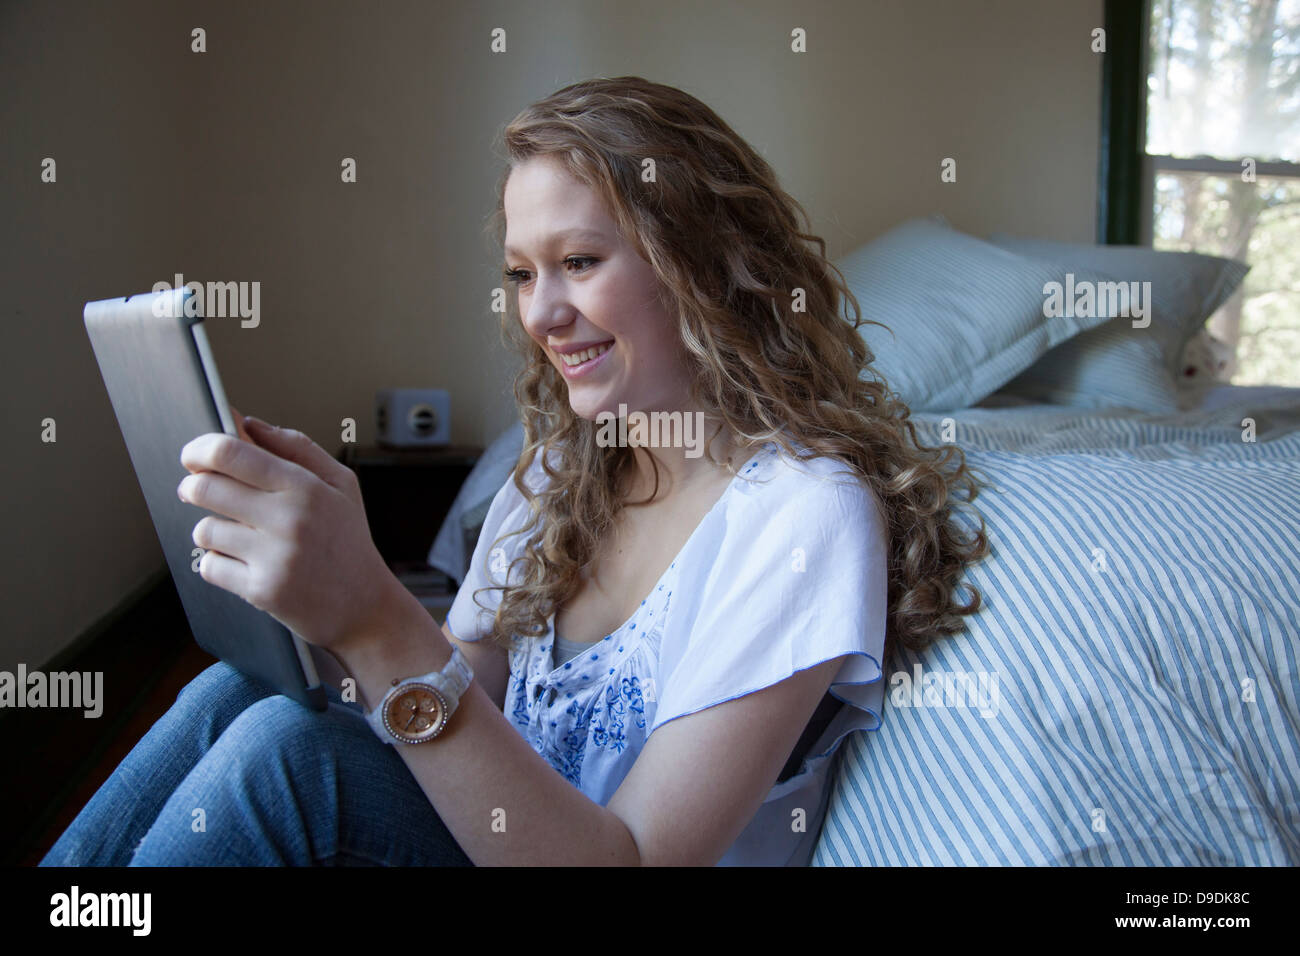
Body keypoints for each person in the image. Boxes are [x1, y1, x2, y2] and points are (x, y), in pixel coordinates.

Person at [40, 75, 988, 867]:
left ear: (702, 265)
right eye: (522, 274)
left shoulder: (801, 515)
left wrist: (375, 618)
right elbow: (467, 685)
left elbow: (635, 860)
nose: (542, 315)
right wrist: (326, 606)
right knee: (241, 695)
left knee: (292, 760)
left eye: (578, 261)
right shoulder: (564, 473)